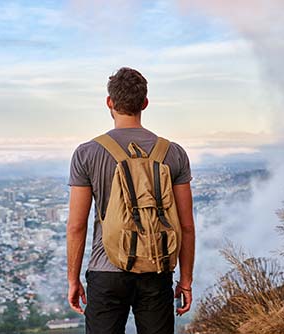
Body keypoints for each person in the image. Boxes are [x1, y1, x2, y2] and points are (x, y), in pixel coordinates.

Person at [66, 67, 195, 334]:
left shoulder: (87, 153)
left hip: (105, 270)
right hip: (156, 268)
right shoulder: (173, 153)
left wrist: (73, 279)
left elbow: (77, 226)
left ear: (109, 103)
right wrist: (186, 280)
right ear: (145, 103)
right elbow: (186, 225)